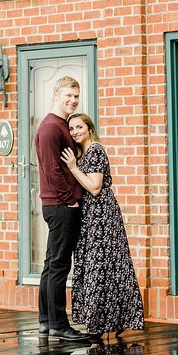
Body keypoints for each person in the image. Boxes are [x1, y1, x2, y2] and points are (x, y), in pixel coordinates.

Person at [60, 113, 145, 341]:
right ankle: (102, 321)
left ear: (89, 128)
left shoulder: (96, 150)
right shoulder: (83, 152)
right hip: (90, 216)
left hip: (102, 216)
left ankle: (101, 325)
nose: (75, 131)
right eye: (71, 128)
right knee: (98, 267)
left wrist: (73, 167)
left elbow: (95, 187)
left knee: (104, 266)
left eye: (79, 127)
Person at [34, 75, 90, 342]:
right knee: (59, 265)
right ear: (56, 94)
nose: (72, 100)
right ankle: (59, 323)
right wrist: (70, 198)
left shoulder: (61, 125)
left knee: (50, 263)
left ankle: (46, 320)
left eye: (76, 96)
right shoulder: (50, 128)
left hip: (59, 204)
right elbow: (52, 169)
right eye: (68, 95)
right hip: (60, 205)